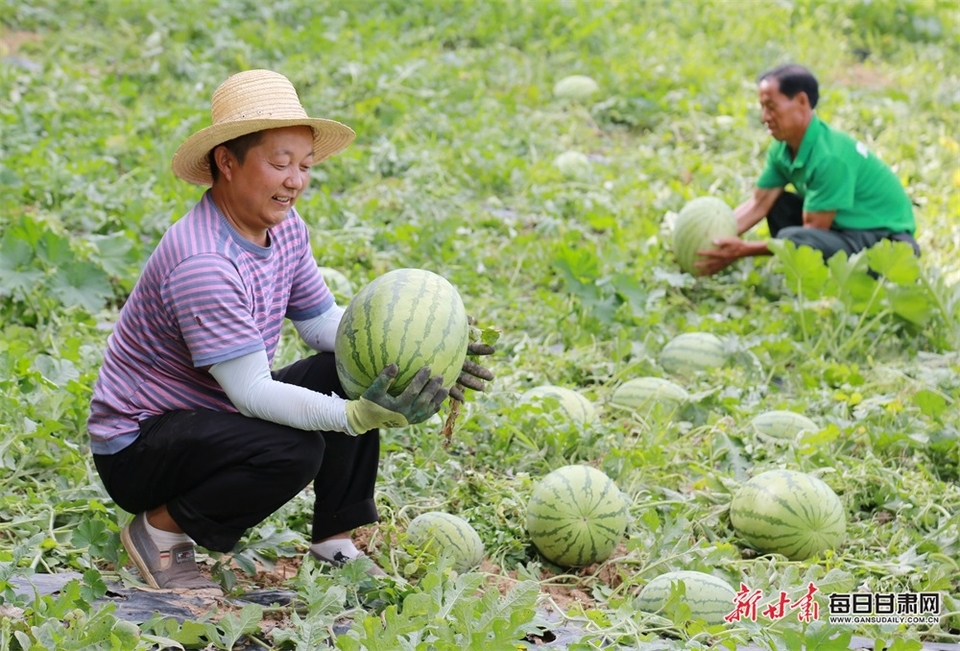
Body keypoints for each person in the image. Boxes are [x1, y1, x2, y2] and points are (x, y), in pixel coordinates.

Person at [86, 69, 493, 591]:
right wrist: (354, 416)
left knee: (345, 372)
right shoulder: (204, 263)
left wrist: (424, 351)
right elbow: (252, 392)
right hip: (141, 444)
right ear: (226, 162)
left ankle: (333, 541)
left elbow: (322, 322)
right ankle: (159, 533)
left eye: (304, 165)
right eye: (280, 163)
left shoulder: (284, 228)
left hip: (211, 416)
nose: (295, 180)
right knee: (294, 449)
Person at [696, 63, 918, 276]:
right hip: (844, 230)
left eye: (771, 107)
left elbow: (811, 233)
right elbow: (758, 204)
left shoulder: (830, 157)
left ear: (801, 101)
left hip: (886, 244)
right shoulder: (783, 148)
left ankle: (838, 281)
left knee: (792, 238)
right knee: (778, 204)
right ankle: (812, 274)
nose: (765, 117)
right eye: (762, 108)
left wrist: (744, 250)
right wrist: (708, 239)